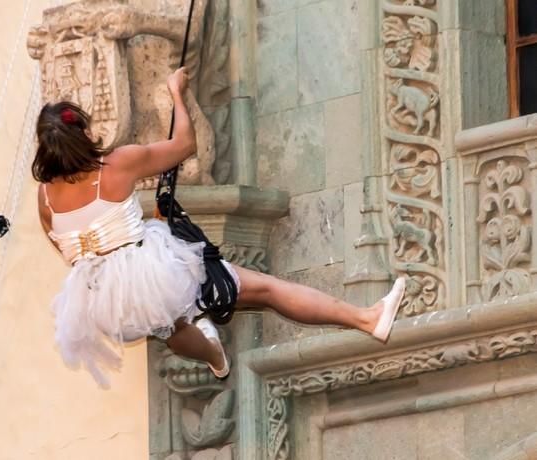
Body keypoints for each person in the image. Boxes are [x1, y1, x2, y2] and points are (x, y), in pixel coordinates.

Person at [33, 67, 406, 387]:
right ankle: (367, 318)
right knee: (268, 291)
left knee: (170, 323)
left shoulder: (45, 199)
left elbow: (73, 250)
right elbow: (184, 145)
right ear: (82, 134)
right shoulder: (117, 165)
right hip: (150, 272)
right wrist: (176, 92)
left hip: (101, 302)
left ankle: (213, 355)